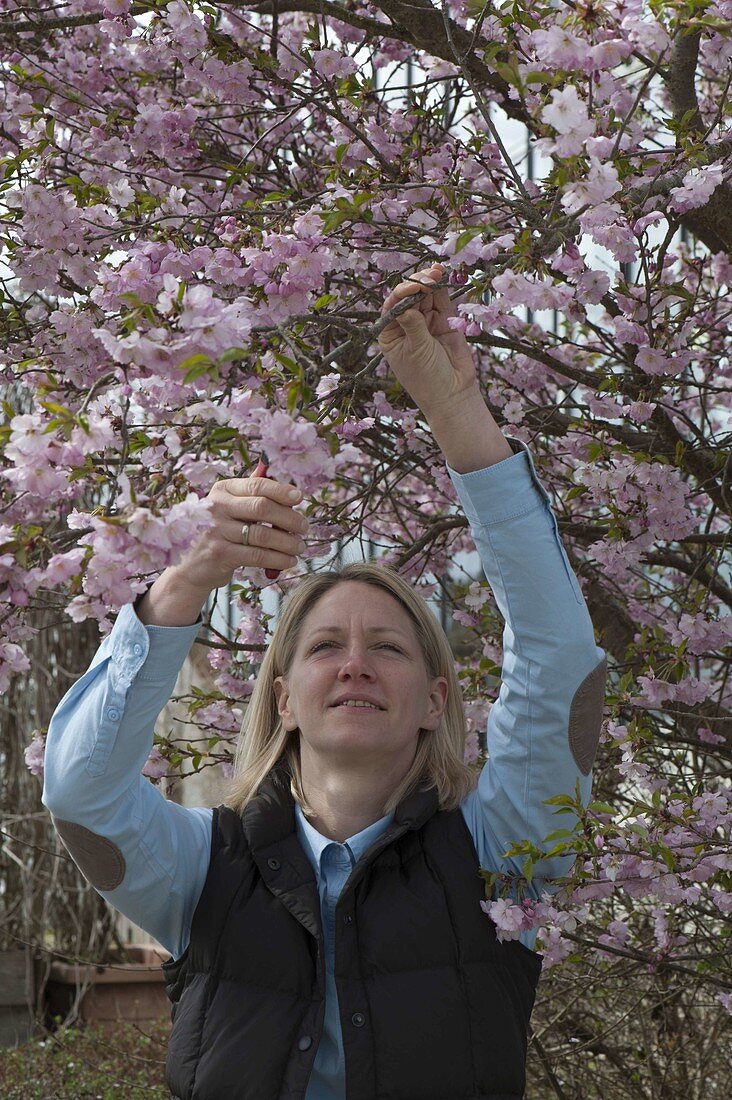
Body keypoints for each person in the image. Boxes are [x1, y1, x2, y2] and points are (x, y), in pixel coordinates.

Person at [42, 263, 607, 1100]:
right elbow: (81, 793)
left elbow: (560, 661)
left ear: (435, 701)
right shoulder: (203, 870)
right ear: (282, 700)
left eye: (387, 648)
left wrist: (459, 421)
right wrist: (187, 579)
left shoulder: (500, 851)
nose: (354, 663)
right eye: (323, 648)